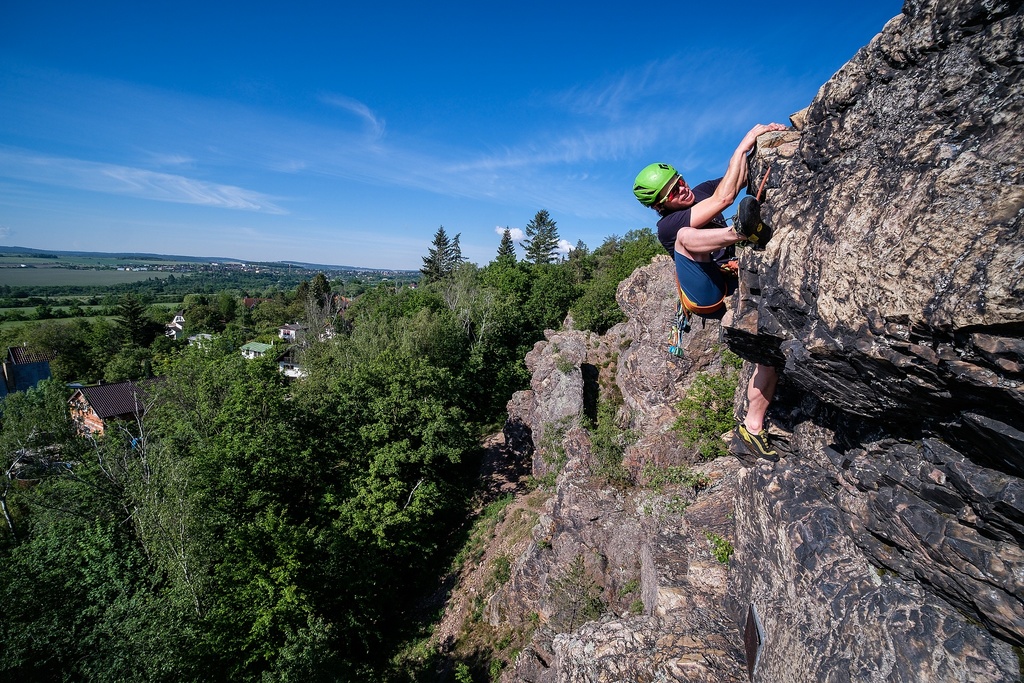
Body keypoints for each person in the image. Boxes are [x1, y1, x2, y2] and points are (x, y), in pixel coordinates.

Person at [632, 122, 787, 458]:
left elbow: (740, 177)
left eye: (679, 181)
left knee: (768, 357)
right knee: (687, 240)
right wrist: (743, 141)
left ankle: (752, 427)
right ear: (660, 206)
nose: (682, 190)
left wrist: (765, 145)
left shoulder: (699, 190)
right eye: (671, 193)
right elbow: (726, 196)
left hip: (730, 277)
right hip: (706, 292)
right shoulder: (668, 226)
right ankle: (745, 233)